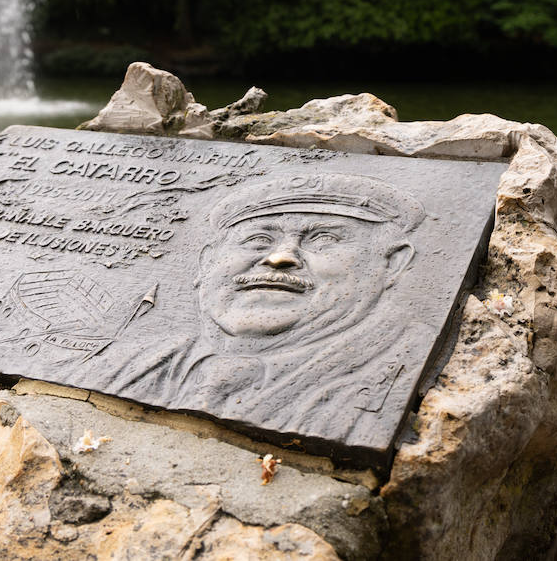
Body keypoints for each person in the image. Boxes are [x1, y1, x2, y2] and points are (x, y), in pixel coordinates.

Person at [104, 173, 433, 443]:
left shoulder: (407, 368)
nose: (280, 258)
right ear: (205, 263)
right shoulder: (129, 361)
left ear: (392, 264)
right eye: (258, 240)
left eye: (323, 239)